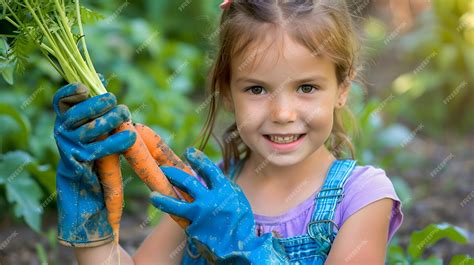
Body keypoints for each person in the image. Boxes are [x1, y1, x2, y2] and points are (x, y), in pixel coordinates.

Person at [53, 1, 404, 264]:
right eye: (256, 89)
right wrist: (92, 211)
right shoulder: (204, 192)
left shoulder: (362, 198)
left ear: (343, 87)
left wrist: (243, 249)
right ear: (227, 92)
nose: (282, 114)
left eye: (307, 88)